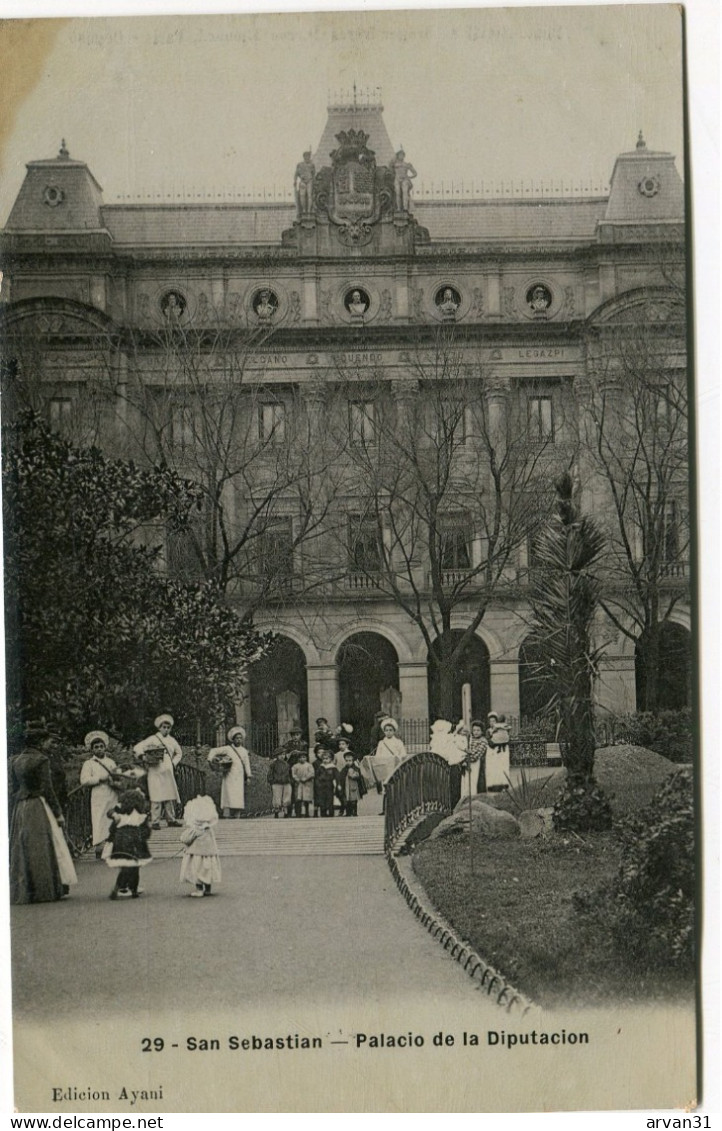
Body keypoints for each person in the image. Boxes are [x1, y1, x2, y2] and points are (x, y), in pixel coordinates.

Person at [9, 722, 78, 904]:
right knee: (43, 846)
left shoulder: (15, 760)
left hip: (21, 807)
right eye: (47, 740)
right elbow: (48, 790)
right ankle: (45, 889)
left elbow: (12, 789)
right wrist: (58, 813)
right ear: (40, 741)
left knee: (23, 847)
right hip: (38, 806)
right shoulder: (41, 760)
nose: (49, 744)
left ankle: (25, 890)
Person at [133, 714, 183, 829]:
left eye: (168, 727)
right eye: (163, 727)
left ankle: (171, 819)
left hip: (168, 771)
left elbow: (179, 753)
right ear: (159, 728)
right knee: (156, 795)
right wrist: (143, 757)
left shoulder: (172, 740)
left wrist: (173, 763)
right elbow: (137, 748)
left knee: (169, 795)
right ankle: (155, 821)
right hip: (155, 770)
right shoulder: (152, 739)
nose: (166, 729)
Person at [80, 730, 123, 857]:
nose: (99, 749)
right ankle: (99, 846)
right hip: (98, 795)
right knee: (99, 819)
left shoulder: (111, 762)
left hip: (111, 794)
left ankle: (112, 846)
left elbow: (117, 775)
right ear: (92, 750)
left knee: (112, 818)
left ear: (105, 747)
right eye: (96, 747)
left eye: (101, 746)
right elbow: (84, 780)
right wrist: (99, 779)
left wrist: (115, 780)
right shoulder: (89, 764)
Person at [105, 788, 152, 900]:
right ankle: (133, 888)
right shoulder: (141, 814)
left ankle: (121, 886)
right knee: (134, 866)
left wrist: (114, 818)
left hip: (120, 841)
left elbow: (110, 815)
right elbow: (146, 831)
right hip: (134, 842)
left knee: (125, 865)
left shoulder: (120, 810)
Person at [179, 794, 221, 898]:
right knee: (207, 871)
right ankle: (208, 889)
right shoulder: (209, 830)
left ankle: (199, 890)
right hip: (209, 854)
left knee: (197, 871)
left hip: (196, 855)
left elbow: (185, 839)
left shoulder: (195, 830)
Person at [208, 726, 252, 818]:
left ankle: (237, 816)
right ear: (233, 739)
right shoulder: (228, 749)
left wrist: (248, 776)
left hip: (239, 777)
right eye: (237, 738)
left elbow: (247, 764)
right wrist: (211, 759)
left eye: (240, 738)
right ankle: (226, 815)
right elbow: (214, 750)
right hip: (229, 775)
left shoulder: (244, 751)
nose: (239, 740)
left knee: (238, 796)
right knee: (228, 795)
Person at [486, 712, 511, 791]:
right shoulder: (489, 731)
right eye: (491, 721)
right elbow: (489, 741)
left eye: (494, 721)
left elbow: (506, 738)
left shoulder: (502, 729)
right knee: (493, 768)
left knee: (502, 767)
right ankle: (493, 785)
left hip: (502, 751)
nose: (492, 723)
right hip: (492, 751)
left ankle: (504, 784)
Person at [338, 751, 367, 817]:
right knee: (347, 800)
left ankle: (354, 812)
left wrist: (354, 775)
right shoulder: (344, 769)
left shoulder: (356, 768)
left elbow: (359, 776)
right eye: (347, 761)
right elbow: (341, 777)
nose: (348, 762)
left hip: (354, 787)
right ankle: (348, 812)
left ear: (353, 760)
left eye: (350, 760)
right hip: (346, 787)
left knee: (354, 800)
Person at [267, 748, 293, 818]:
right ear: (277, 756)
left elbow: (289, 773)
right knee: (276, 797)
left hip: (286, 782)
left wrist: (290, 780)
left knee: (286, 797)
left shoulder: (287, 764)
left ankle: (285, 811)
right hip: (277, 782)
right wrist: (271, 780)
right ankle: (276, 811)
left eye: (283, 754)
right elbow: (270, 773)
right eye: (280, 755)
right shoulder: (273, 764)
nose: (282, 756)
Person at [313, 748, 339, 817]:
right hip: (321, 786)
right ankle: (323, 813)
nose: (325, 760)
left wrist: (338, 784)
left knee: (330, 799)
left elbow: (337, 777)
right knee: (322, 799)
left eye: (327, 758)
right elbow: (317, 776)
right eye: (324, 759)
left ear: (331, 759)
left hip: (329, 785)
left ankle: (331, 813)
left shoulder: (333, 768)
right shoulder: (321, 767)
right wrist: (318, 783)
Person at [466, 719, 488, 795]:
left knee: (475, 782)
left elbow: (477, 755)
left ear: (482, 731)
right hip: (468, 762)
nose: (476, 732)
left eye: (478, 730)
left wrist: (468, 754)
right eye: (474, 730)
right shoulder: (470, 739)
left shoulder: (483, 741)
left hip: (478, 763)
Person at [291, 751, 315, 817]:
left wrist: (306, 778)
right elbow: (293, 774)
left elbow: (312, 773)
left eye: (304, 757)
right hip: (298, 784)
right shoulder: (295, 766)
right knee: (298, 798)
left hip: (307, 783)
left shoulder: (309, 765)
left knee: (306, 798)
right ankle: (298, 813)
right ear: (298, 758)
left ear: (306, 758)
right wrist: (297, 779)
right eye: (300, 757)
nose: (302, 759)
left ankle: (307, 812)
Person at [294, 150, 315, 217]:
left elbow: (313, 174)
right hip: (303, 182)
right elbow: (296, 174)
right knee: (302, 195)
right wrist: (295, 181)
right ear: (304, 157)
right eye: (306, 156)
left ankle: (309, 210)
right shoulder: (300, 165)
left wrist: (313, 181)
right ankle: (304, 209)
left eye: (308, 156)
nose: (307, 158)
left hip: (310, 181)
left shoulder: (312, 165)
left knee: (309, 195)